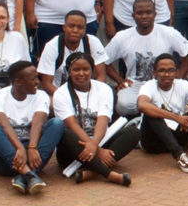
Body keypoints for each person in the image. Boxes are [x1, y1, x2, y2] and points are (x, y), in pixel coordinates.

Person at [53, 52, 140, 186]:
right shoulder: (60, 93)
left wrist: (95, 146)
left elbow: (103, 120)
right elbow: (72, 126)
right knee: (66, 134)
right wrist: (97, 150)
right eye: (76, 69)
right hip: (73, 150)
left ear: (92, 71)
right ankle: (109, 174)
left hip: (100, 141)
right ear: (69, 71)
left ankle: (92, 172)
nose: (81, 73)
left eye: (85, 69)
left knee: (133, 132)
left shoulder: (104, 89)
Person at [0, 60, 64, 194]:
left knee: (57, 124)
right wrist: (20, 147)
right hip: (5, 160)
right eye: (33, 79)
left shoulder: (41, 96)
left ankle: (26, 175)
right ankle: (30, 174)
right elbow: (4, 125)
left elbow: (38, 122)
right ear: (18, 82)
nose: (37, 82)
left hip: (33, 156)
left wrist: (32, 147)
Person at [105, 0, 188, 116]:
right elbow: (103, 60)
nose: (144, 16)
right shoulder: (122, 37)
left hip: (163, 82)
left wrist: (179, 75)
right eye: (140, 13)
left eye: (148, 12)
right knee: (122, 105)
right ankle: (156, 111)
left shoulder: (169, 32)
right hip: (135, 84)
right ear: (133, 15)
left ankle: (153, 112)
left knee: (185, 101)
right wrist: (119, 80)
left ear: (155, 14)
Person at [137, 53, 188, 173]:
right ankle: (180, 156)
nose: (166, 74)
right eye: (162, 71)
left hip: (178, 136)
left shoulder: (181, 84)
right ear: (154, 73)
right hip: (152, 141)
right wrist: (177, 118)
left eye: (171, 70)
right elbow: (141, 105)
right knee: (151, 111)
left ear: (176, 72)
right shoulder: (148, 86)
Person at [38, 10, 107, 101]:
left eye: (80, 27)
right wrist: (69, 100)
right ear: (64, 27)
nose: (75, 30)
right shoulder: (52, 46)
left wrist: (90, 96)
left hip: (88, 93)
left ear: (85, 29)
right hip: (60, 93)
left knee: (109, 96)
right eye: (71, 26)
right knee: (49, 104)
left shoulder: (93, 42)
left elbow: (101, 76)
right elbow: (47, 84)